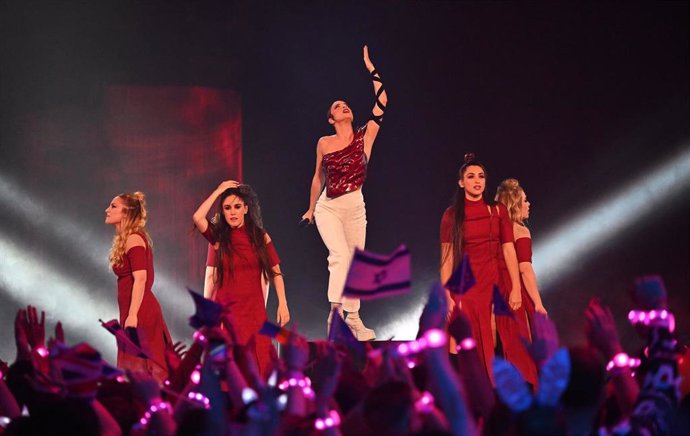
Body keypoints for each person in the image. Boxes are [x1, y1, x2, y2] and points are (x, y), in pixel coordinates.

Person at [301, 46, 387, 340]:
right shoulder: (324, 142)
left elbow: (382, 102)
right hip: (328, 205)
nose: (344, 107)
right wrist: (311, 208)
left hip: (355, 205)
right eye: (338, 106)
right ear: (330, 118)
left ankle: (353, 317)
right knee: (339, 256)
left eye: (346, 104)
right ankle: (335, 315)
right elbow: (317, 177)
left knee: (356, 261)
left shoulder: (365, 137)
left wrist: (370, 67)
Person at [439, 154, 535, 385]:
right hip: (469, 285)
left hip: (496, 282)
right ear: (461, 182)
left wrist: (514, 287)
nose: (477, 181)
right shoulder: (452, 215)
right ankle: (476, 391)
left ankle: (502, 391)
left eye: (480, 176)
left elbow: (509, 251)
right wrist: (446, 294)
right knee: (467, 340)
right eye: (470, 177)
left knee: (502, 338)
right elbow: (447, 258)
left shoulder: (498, 210)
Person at [192, 180, 289, 377]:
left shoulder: (260, 237)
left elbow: (275, 272)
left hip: (253, 311)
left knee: (259, 365)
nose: (232, 212)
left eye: (237, 207)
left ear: (246, 208)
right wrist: (218, 190)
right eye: (227, 208)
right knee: (227, 368)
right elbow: (198, 217)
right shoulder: (219, 239)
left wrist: (283, 304)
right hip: (226, 312)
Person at [105, 191, 172, 382]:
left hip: (141, 312)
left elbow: (141, 278)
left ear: (126, 213)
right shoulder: (127, 239)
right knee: (136, 369)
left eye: (113, 206)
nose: (107, 210)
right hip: (133, 310)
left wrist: (133, 314)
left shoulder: (134, 238)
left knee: (142, 369)